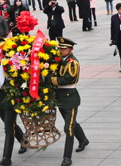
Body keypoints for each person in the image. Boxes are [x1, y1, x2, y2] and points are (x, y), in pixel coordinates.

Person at [0, 36, 28, 165]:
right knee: (10, 125)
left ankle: (6, 157)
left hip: (11, 100)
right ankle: (24, 142)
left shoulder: (12, 61)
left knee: (8, 127)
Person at [50, 37, 90, 166]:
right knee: (71, 122)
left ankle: (67, 157)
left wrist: (52, 79)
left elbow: (69, 79)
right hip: (60, 96)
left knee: (68, 128)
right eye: (60, 48)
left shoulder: (72, 62)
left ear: (70, 49)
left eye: (65, 48)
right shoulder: (61, 60)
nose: (62, 51)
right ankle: (83, 140)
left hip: (69, 97)